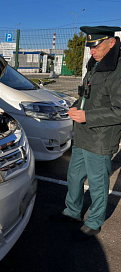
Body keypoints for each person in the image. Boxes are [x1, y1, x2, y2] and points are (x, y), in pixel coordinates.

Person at [51, 25, 121, 241]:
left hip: (100, 138)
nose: (91, 50)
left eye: (96, 45)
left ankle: (94, 222)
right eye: (90, 46)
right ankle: (72, 212)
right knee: (74, 176)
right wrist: (74, 106)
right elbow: (85, 95)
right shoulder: (95, 64)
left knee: (98, 184)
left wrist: (87, 116)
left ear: (111, 42)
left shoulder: (117, 69)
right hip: (82, 135)